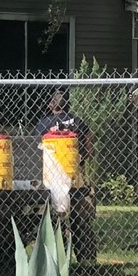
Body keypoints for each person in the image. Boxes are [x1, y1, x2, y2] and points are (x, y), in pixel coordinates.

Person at [34, 91, 97, 265]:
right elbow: (90, 149)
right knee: (82, 218)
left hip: (51, 178)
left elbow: (34, 150)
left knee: (54, 218)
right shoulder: (79, 122)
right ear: (68, 105)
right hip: (75, 177)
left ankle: (55, 258)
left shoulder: (43, 124)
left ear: (50, 105)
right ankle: (87, 259)